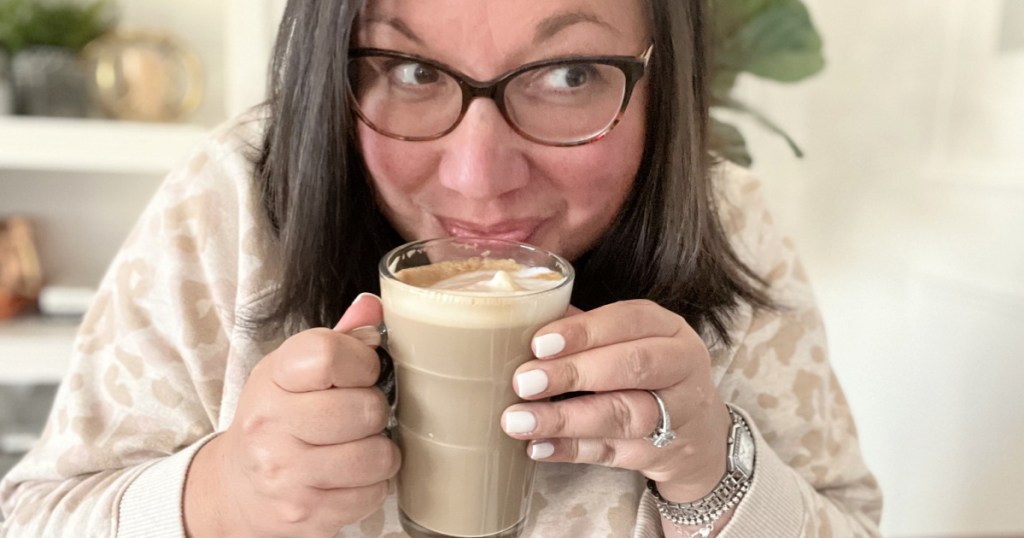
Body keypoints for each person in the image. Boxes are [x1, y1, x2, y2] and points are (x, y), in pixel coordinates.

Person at [0, 0, 883, 536]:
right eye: (413, 69)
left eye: (571, 74)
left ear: (666, 76)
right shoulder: (232, 208)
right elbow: (34, 519)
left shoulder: (728, 221)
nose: (478, 178)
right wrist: (223, 497)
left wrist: (710, 472)